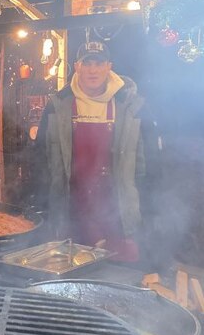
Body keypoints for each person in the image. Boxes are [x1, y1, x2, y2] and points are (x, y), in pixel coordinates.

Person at [33, 41, 159, 262]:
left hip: (117, 213)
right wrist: (40, 205)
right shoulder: (57, 106)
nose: (93, 70)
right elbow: (40, 159)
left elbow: (149, 164)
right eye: (87, 63)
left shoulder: (132, 107)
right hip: (71, 211)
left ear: (109, 66)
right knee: (70, 269)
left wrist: (149, 210)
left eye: (99, 63)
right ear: (77, 67)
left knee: (118, 272)